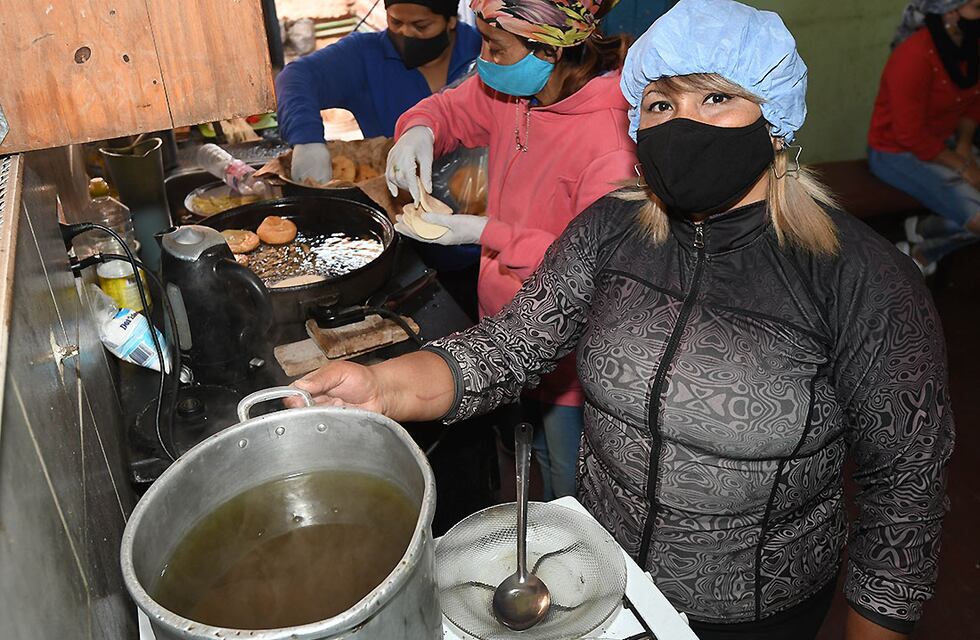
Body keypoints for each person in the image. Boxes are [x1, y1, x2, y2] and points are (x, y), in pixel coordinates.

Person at [289, 1, 954, 638]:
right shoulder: (611, 231)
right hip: (601, 582)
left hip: (758, 610)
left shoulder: (860, 279)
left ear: (774, 116)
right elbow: (511, 347)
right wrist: (382, 387)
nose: (679, 122)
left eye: (714, 97)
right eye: (660, 103)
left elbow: (905, 491)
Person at [384, 0, 636, 501]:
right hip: (502, 332)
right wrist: (419, 128)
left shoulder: (609, 143)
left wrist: (487, 232)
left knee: (567, 482)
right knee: (524, 459)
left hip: (567, 357)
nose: (482, 61)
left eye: (496, 48)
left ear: (548, 48)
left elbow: (598, 269)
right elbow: (453, 108)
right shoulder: (516, 91)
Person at [275, 0, 481, 185]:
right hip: (394, 202)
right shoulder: (366, 57)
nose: (406, 33)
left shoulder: (482, 50)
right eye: (396, 22)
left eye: (421, 26)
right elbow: (295, 77)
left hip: (482, 198)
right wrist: (306, 139)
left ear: (451, 21)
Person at [869, 0, 980, 274]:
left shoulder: (971, 47)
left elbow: (973, 104)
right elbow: (910, 134)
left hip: (945, 145)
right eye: (977, 8)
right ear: (951, 12)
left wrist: (965, 146)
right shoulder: (914, 54)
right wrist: (964, 166)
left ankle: (922, 232)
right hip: (894, 152)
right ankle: (923, 252)